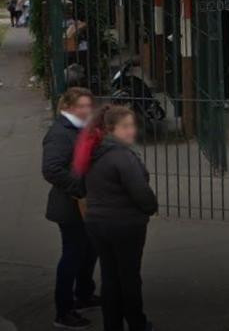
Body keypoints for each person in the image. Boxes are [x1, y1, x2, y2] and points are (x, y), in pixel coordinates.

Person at [81, 106, 158, 331]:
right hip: (124, 224)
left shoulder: (94, 152)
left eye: (132, 125)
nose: (131, 131)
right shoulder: (122, 156)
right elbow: (140, 191)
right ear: (110, 129)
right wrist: (150, 208)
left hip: (97, 223)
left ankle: (112, 325)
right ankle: (137, 323)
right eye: (125, 126)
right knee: (129, 277)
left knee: (109, 276)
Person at [42, 87, 100, 330]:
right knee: (72, 255)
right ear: (67, 107)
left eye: (89, 105)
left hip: (86, 203)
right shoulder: (60, 133)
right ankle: (64, 311)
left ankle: (84, 294)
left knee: (90, 249)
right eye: (81, 106)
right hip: (71, 205)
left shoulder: (80, 128)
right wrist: (80, 189)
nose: (87, 110)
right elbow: (52, 169)